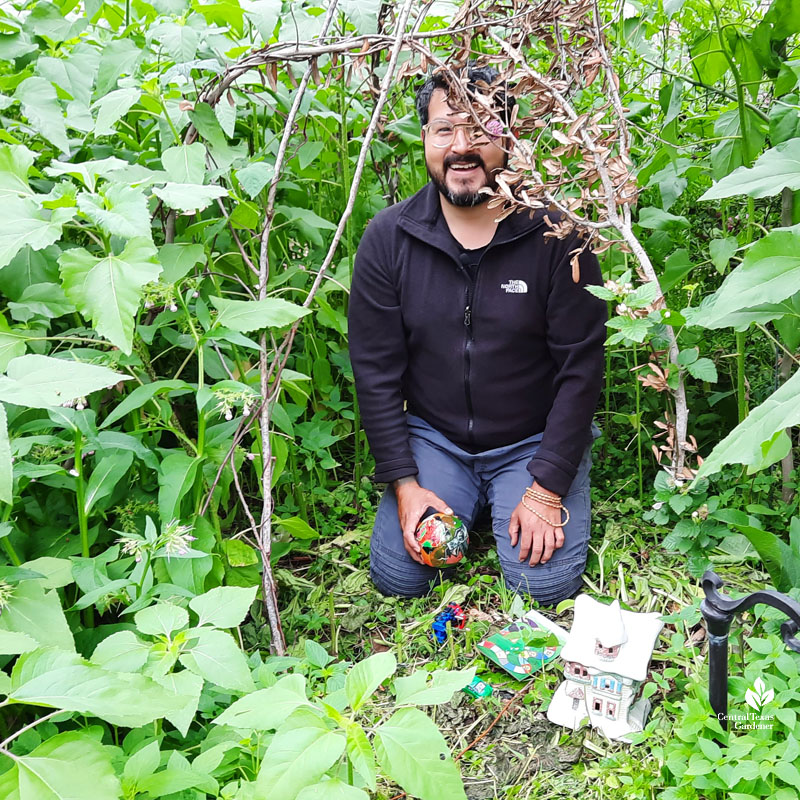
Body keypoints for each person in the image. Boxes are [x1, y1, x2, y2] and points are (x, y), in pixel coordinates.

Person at [347, 64, 607, 603]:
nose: (462, 146)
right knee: (400, 579)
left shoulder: (559, 237)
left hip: (530, 437)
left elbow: (581, 368)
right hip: (435, 438)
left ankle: (535, 482)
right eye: (446, 129)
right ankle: (462, 494)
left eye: (482, 129)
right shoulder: (388, 238)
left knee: (544, 587)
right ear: (425, 138)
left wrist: (547, 484)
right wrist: (405, 483)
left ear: (509, 137)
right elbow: (374, 372)